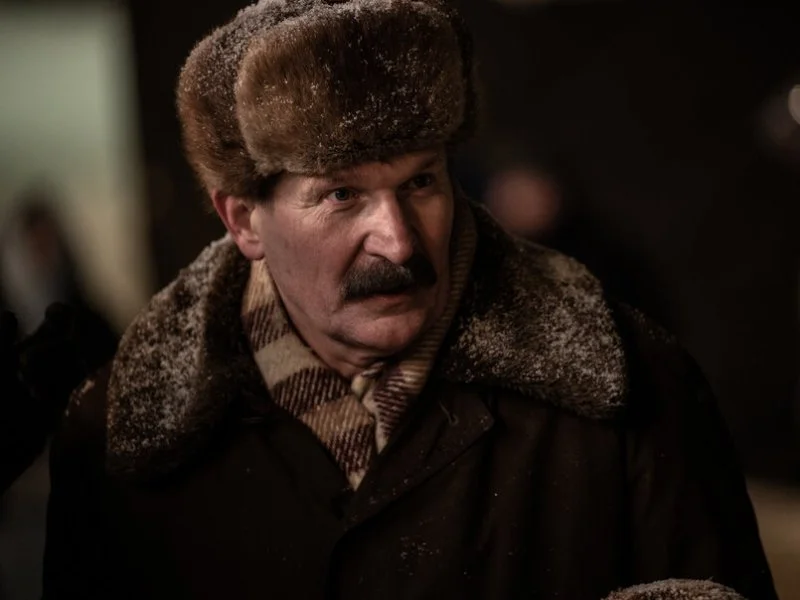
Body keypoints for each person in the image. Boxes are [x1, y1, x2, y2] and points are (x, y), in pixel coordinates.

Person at [42, 1, 777, 599]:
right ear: (243, 221)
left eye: (421, 182)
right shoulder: (119, 441)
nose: (398, 243)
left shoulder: (634, 388)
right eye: (341, 195)